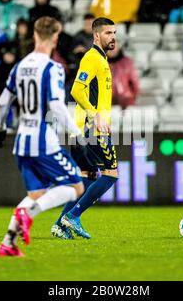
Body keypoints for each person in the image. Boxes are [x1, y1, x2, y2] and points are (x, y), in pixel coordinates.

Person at [0, 16, 85, 257]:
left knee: (36, 195)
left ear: (34, 35)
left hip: (22, 141)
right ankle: (28, 215)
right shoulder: (53, 68)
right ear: (55, 38)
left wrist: (0, 127)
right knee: (76, 186)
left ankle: (8, 244)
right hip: (44, 142)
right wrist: (76, 134)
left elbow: (4, 101)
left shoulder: (20, 66)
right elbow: (55, 104)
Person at [52, 18, 119, 240]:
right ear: (96, 36)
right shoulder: (92, 58)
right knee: (111, 174)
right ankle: (73, 216)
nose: (113, 37)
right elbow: (76, 91)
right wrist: (95, 114)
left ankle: (60, 225)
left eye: (114, 32)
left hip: (81, 130)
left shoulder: (100, 59)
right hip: (92, 129)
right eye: (108, 32)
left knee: (89, 177)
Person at [108, 42, 140, 109]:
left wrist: (130, 98)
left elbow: (135, 84)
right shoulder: (100, 63)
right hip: (106, 103)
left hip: (126, 103)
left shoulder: (127, 62)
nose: (112, 49)